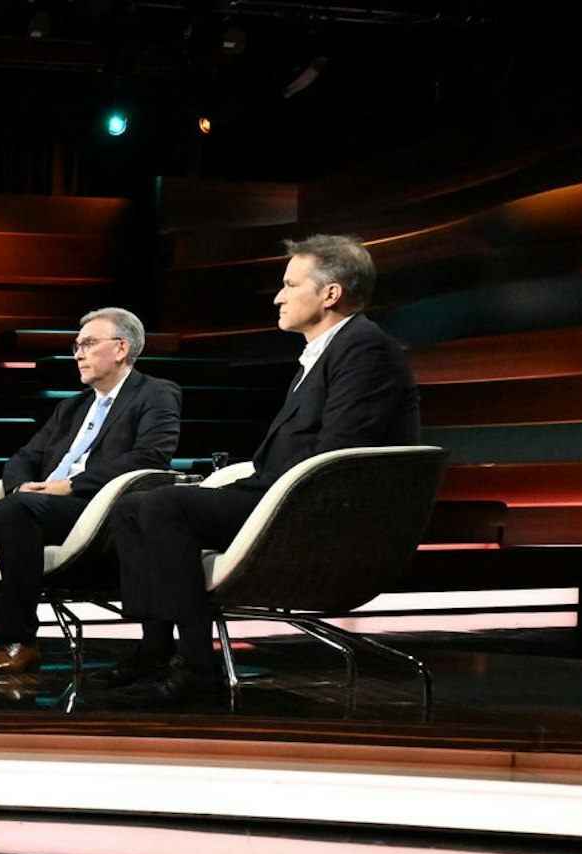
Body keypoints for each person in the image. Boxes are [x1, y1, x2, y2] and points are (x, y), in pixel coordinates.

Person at [100, 235, 421, 705]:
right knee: (132, 509)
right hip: (282, 493)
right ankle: (153, 652)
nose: (278, 296)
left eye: (290, 285)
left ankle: (196, 671)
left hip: (314, 510)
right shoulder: (328, 353)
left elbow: (341, 452)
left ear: (330, 294)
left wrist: (260, 486)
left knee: (164, 507)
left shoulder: (365, 350)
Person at [0, 308, 181, 674]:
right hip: (39, 506)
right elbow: (25, 456)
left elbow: (152, 456)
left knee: (19, 510)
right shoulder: (72, 406)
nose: (77, 353)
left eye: (89, 344)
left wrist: (72, 485)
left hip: (97, 508)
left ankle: (20, 640)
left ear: (121, 348)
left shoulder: (155, 393)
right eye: (76, 345)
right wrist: (19, 484)